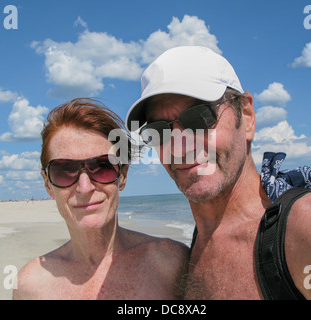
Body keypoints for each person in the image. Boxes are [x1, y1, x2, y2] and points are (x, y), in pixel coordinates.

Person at [125, 46, 311, 299]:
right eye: (160, 131)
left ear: (246, 117)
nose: (181, 146)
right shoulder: (196, 244)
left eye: (200, 118)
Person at [13, 98, 189, 300]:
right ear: (47, 184)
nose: (85, 187)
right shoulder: (31, 285)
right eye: (64, 170)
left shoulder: (170, 263)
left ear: (122, 175)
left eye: (102, 167)